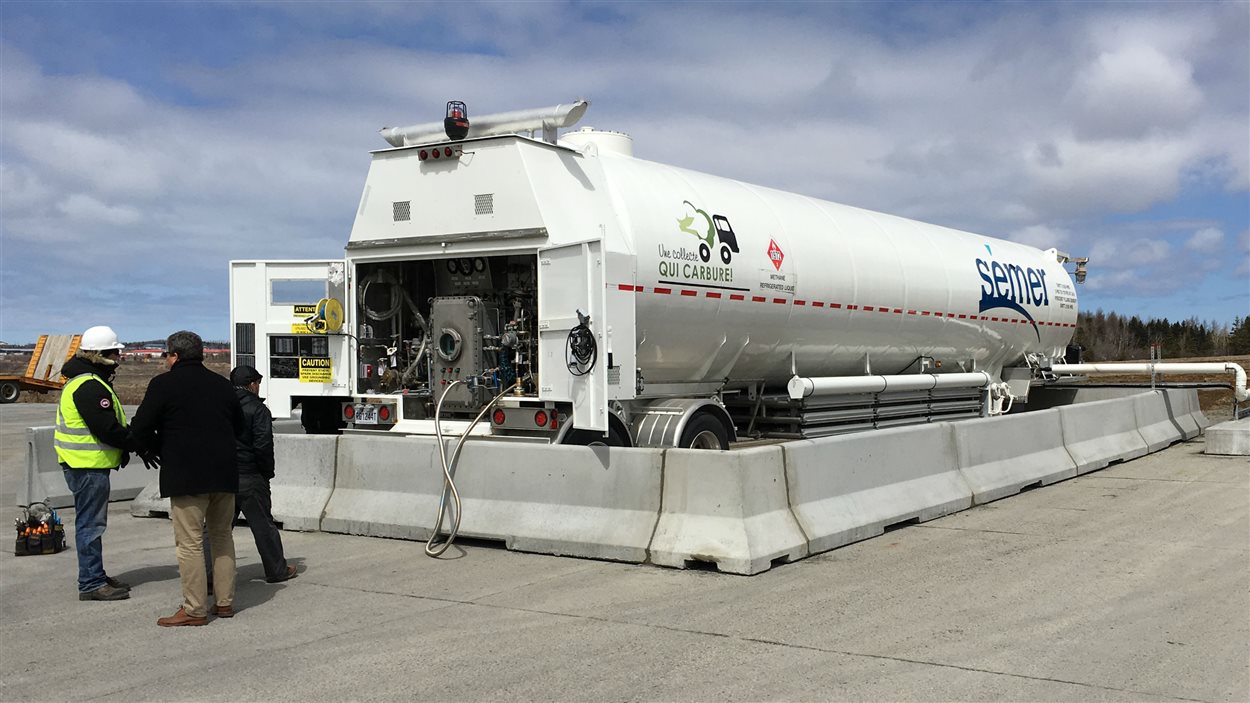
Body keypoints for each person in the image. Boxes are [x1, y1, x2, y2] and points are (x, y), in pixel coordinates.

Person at [131, 331, 242, 627]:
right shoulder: (222, 385)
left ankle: (194, 609)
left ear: (175, 356)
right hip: (224, 474)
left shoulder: (163, 385)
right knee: (222, 538)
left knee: (190, 544)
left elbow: (140, 428)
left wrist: (156, 447)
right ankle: (225, 602)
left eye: (167, 355)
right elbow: (240, 429)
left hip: (187, 476)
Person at [55, 325, 154, 601]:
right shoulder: (89, 385)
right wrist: (138, 443)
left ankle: (94, 573)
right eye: (115, 352)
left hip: (84, 464)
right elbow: (107, 429)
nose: (119, 357)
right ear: (101, 354)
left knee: (91, 524)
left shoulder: (85, 380)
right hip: (87, 467)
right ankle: (91, 582)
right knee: (91, 525)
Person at [230, 365, 297, 584]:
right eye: (257, 383)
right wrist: (266, 473)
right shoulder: (258, 410)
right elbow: (263, 445)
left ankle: (210, 576)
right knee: (263, 526)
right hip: (251, 476)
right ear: (252, 384)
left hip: (224, 477)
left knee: (216, 530)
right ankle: (277, 570)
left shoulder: (221, 407)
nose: (258, 387)